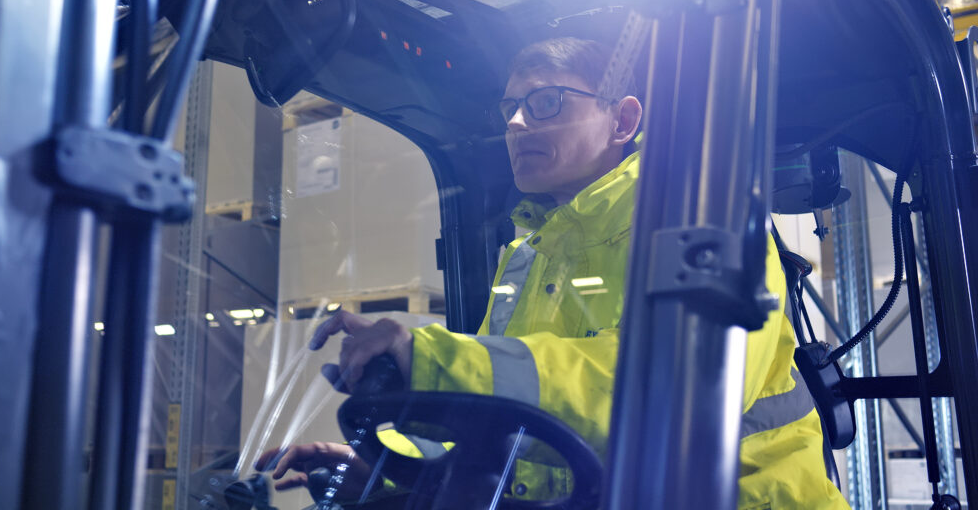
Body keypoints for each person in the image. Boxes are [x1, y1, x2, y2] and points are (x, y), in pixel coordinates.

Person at [257, 37, 849, 509]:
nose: (516, 123)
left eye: (545, 102)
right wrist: (386, 474)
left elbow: (675, 390)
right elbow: (503, 422)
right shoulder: (528, 256)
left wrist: (435, 359)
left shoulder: (700, 220)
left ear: (622, 120)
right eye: (509, 108)